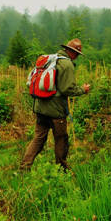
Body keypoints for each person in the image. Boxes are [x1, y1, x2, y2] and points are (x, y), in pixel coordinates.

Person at [21, 38, 90, 171]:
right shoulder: (67, 64)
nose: (76, 57)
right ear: (73, 52)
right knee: (61, 139)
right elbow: (67, 89)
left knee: (38, 139)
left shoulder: (51, 59)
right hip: (56, 111)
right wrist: (83, 89)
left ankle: (24, 167)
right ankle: (61, 168)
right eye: (76, 54)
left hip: (40, 107)